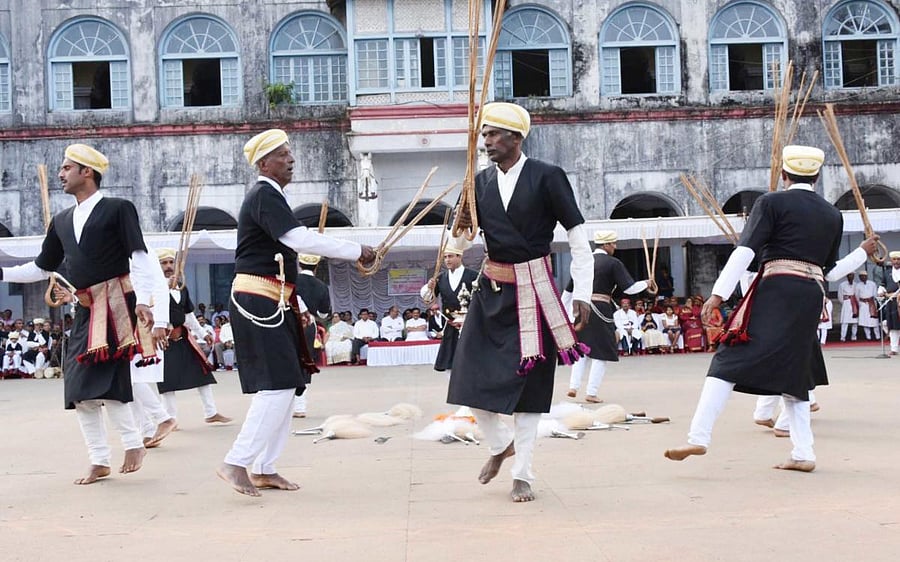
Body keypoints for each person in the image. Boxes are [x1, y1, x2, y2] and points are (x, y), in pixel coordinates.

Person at [664, 145, 877, 472]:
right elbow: (830, 271)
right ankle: (803, 452)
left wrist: (717, 295)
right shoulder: (833, 215)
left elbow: (745, 252)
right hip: (811, 294)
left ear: (783, 173)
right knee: (796, 371)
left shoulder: (770, 202)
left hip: (777, 288)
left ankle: (699, 436)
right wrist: (862, 252)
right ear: (817, 176)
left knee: (726, 357)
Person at [446, 102, 593, 503]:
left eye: (493, 134)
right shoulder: (478, 182)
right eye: (485, 134)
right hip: (491, 289)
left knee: (530, 389)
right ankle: (499, 445)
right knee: (467, 378)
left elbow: (579, 238)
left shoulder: (548, 176)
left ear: (516, 138)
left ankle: (522, 472)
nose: (487, 142)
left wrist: (581, 292)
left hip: (535, 289)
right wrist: (456, 232)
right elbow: (461, 241)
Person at [218, 129, 375, 497]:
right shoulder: (264, 194)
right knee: (278, 384)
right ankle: (236, 462)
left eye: (290, 153)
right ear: (263, 163)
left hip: (274, 300)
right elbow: (299, 240)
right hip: (259, 300)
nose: (291, 159)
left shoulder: (272, 197)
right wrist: (357, 250)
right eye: (282, 154)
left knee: (287, 384)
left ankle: (263, 467)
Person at [0, 143, 169, 485]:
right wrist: (3, 273)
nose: (60, 174)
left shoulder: (118, 209)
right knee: (77, 389)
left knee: (106, 383)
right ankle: (100, 459)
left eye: (66, 168)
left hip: (117, 306)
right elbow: (41, 266)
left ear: (86, 172)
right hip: (85, 311)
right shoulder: (61, 221)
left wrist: (152, 308)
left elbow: (140, 256)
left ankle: (133, 443)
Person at [562, 231, 650, 402]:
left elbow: (568, 291)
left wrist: (565, 315)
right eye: (613, 244)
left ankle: (573, 386)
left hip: (581, 308)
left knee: (582, 349)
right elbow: (629, 288)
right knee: (602, 352)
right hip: (601, 308)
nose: (615, 247)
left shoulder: (583, 262)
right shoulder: (613, 263)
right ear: (607, 245)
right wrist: (646, 283)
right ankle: (591, 392)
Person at [156, 248, 230, 426]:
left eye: (170, 262)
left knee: (202, 373)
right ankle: (170, 419)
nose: (168, 266)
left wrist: (203, 333)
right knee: (167, 383)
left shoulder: (182, 287)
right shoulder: (153, 288)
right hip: (164, 341)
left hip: (184, 338)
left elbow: (189, 315)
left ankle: (211, 412)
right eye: (163, 263)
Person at [421, 246, 478, 371]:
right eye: (445, 257)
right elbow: (428, 298)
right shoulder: (441, 278)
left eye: (450, 256)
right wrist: (429, 287)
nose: (447, 260)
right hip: (451, 325)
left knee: (472, 361)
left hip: (469, 325)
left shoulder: (473, 276)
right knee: (449, 363)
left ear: (459, 256)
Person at [293, 253, 332, 418]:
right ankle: (300, 406)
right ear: (316, 267)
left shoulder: (291, 280)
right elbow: (323, 314)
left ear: (300, 265)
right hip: (308, 326)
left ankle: (284, 405)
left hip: (286, 324)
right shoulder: (322, 286)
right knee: (304, 362)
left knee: (286, 361)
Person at [875, 251, 900, 355]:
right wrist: (881, 292)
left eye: (898, 259)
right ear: (891, 260)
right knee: (893, 326)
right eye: (894, 259)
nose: (897, 261)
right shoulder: (886, 273)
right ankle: (894, 349)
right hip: (892, 302)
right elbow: (882, 285)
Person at [854, 270, 880, 340]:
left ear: (867, 276)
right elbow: (857, 296)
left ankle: (877, 336)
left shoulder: (872, 284)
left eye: (864, 276)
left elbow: (875, 294)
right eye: (861, 276)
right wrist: (861, 304)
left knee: (874, 321)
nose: (863, 277)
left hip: (872, 304)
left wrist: (872, 302)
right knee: (865, 321)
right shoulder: (858, 285)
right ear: (859, 277)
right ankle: (868, 337)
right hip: (863, 304)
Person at [837, 272, 858, 341]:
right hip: (846, 303)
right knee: (845, 322)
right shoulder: (842, 285)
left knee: (855, 322)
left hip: (854, 303)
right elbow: (840, 296)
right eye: (849, 275)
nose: (851, 277)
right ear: (847, 276)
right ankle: (843, 337)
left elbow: (857, 295)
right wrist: (845, 302)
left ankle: (854, 337)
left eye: (852, 275)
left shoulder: (856, 284)